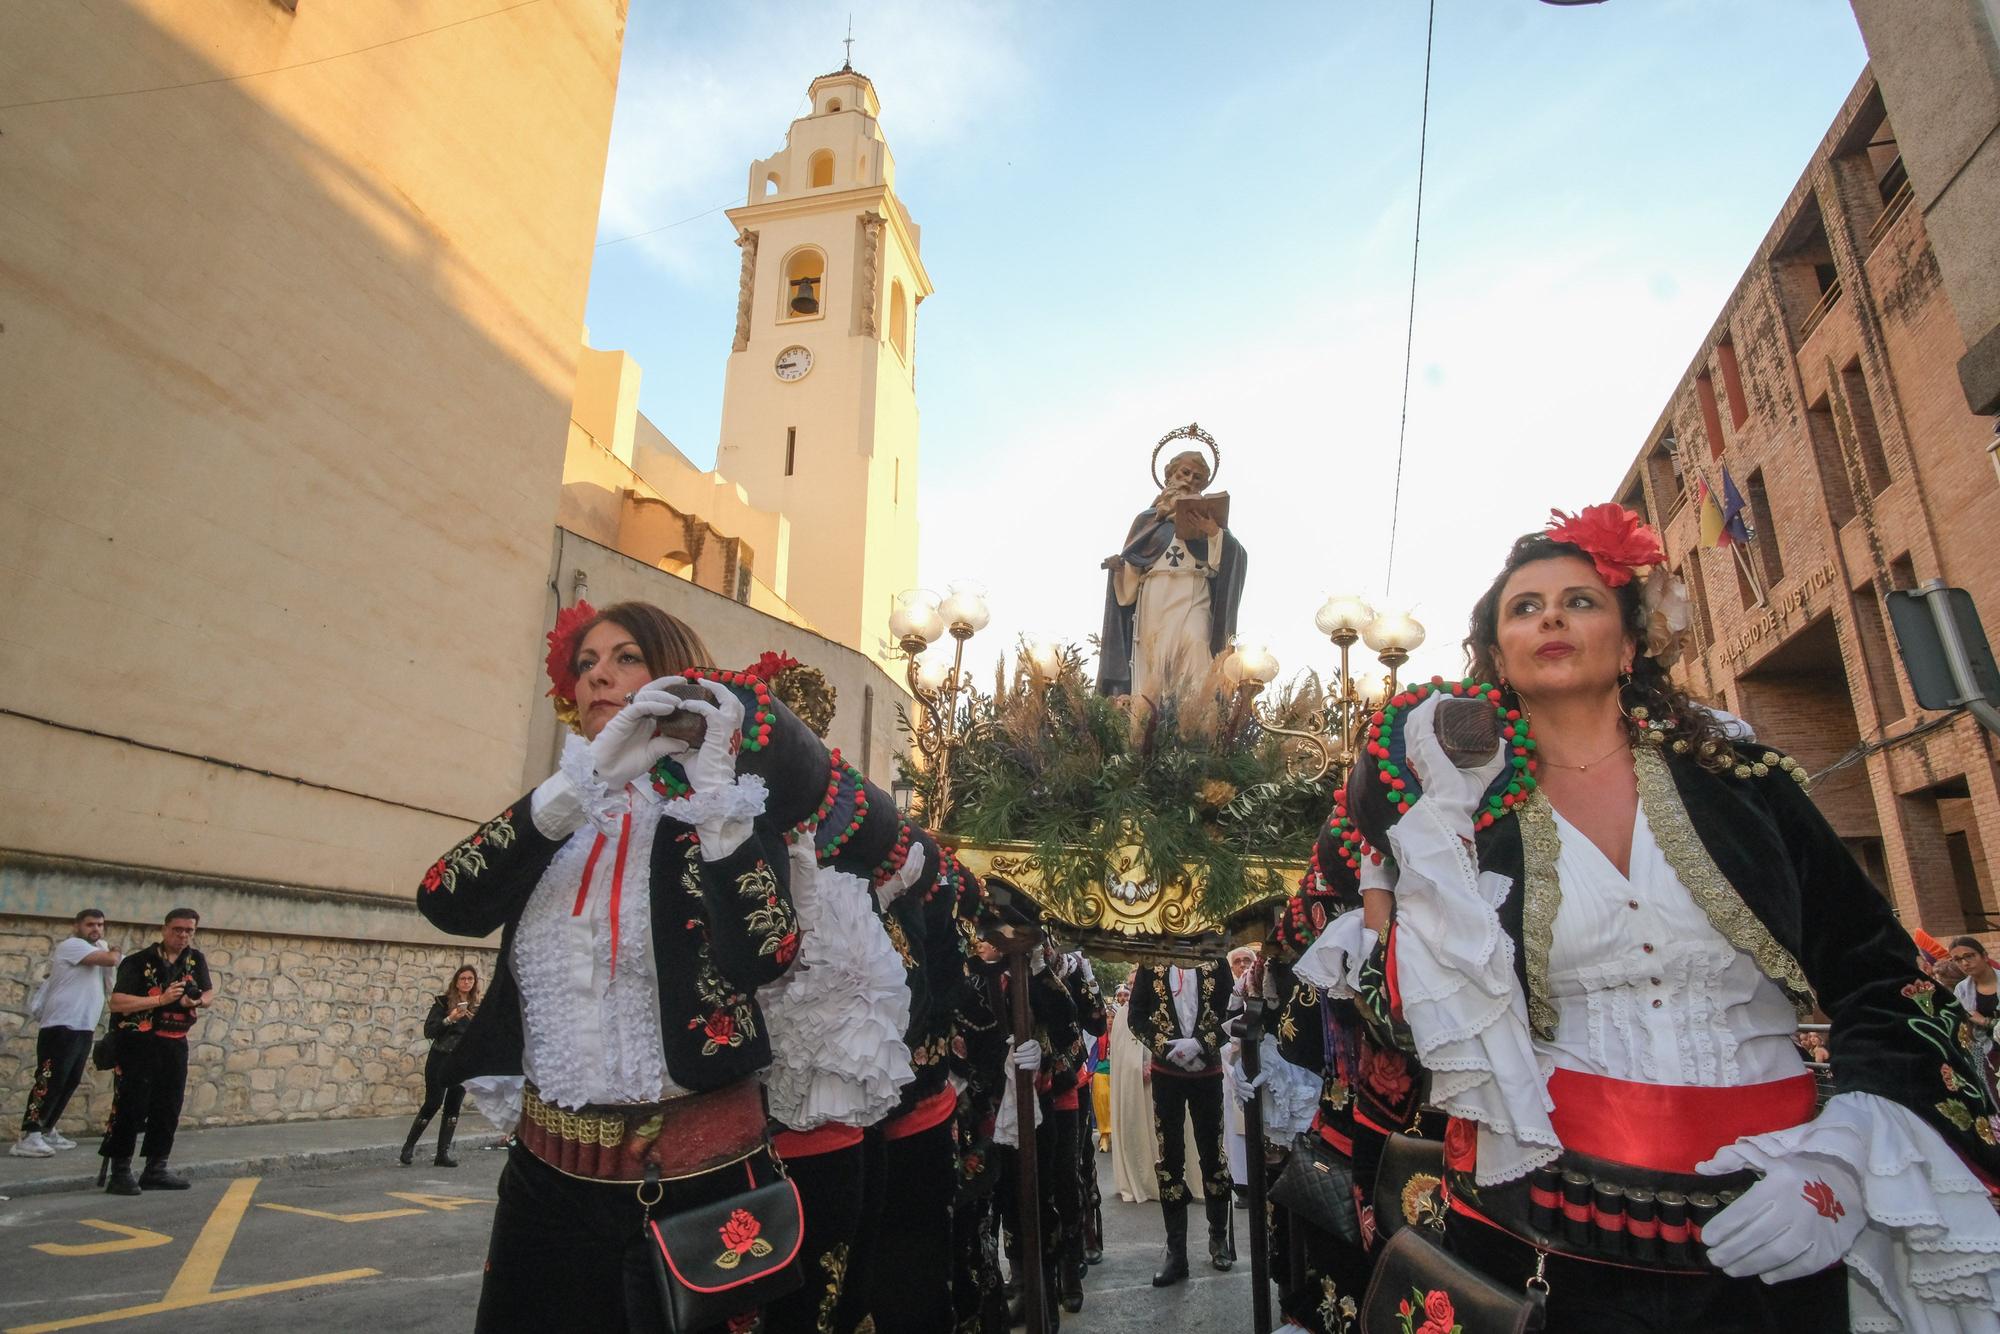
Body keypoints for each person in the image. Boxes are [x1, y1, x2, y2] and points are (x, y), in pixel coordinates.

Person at [1348, 505, 2000, 1331]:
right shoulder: (1463, 823)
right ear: (1498, 660)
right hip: (1545, 1237)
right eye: (1525, 606)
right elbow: (1401, 1018)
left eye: (1580, 600)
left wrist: (1838, 1163)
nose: (1550, 615)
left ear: (1629, 644)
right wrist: (1428, 845)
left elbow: (1882, 977)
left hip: (1781, 1216)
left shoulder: (1745, 781)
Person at [417, 600, 809, 1333]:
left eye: (625, 658)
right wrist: (582, 783)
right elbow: (444, 898)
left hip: (697, 1186)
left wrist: (716, 800)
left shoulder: (720, 818)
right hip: (545, 1180)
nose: (598, 676)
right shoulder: (553, 822)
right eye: (586, 664)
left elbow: (766, 955)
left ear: (673, 677)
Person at [1097, 445, 1247, 702]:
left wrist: (1213, 533)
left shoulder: (1209, 520)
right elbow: (1132, 573)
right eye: (1184, 473)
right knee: (1155, 653)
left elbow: (1236, 558)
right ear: (1169, 476)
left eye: (1197, 478)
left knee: (1196, 642)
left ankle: (1197, 716)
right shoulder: (1147, 521)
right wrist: (1120, 570)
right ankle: (1150, 718)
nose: (1189, 480)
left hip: (1194, 589)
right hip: (1156, 594)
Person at [1128, 957, 1234, 1285]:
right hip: (1167, 1074)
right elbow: (1136, 1017)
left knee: (1212, 1154)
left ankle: (1219, 1239)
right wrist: (1166, 1049)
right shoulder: (1150, 964)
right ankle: (1177, 1253)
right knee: (1170, 1158)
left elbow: (1232, 1014)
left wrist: (1201, 1045)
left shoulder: (1216, 962)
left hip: (1208, 1071)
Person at [98, 908, 215, 1195]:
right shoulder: (139, 962)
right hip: (139, 1043)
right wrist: (161, 999)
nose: (183, 935)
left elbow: (209, 994)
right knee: (131, 1106)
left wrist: (194, 1003)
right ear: (164, 929)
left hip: (175, 1042)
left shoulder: (194, 959)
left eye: (189, 930)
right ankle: (120, 1172)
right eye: (178, 929)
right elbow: (117, 1002)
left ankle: (156, 1168)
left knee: (168, 1105)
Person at [14, 908, 119, 1158]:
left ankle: (47, 1129)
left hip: (83, 1025)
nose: (96, 929)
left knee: (69, 1080)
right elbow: (111, 960)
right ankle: (30, 1134)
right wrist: (114, 951)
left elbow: (110, 980)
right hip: (61, 1025)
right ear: (77, 926)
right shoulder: (72, 946)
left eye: (100, 925)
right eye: (90, 925)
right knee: (50, 1079)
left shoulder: (99, 948)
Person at [400, 964, 479, 1167]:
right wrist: (450, 1019)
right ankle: (409, 1146)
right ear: (456, 981)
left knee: (454, 1105)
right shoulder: (443, 1002)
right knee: (433, 1101)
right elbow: (429, 1030)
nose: (467, 982)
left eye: (470, 979)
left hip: (462, 1062)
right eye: (463, 978)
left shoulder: (477, 1007)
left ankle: (442, 1153)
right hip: (441, 1057)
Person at [1952, 937, 2000, 1115]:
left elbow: (1979, 1020)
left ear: (1985, 956)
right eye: (1957, 960)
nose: (1965, 963)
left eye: (1969, 956)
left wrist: (1986, 1021)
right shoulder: (1961, 990)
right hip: (1989, 1054)